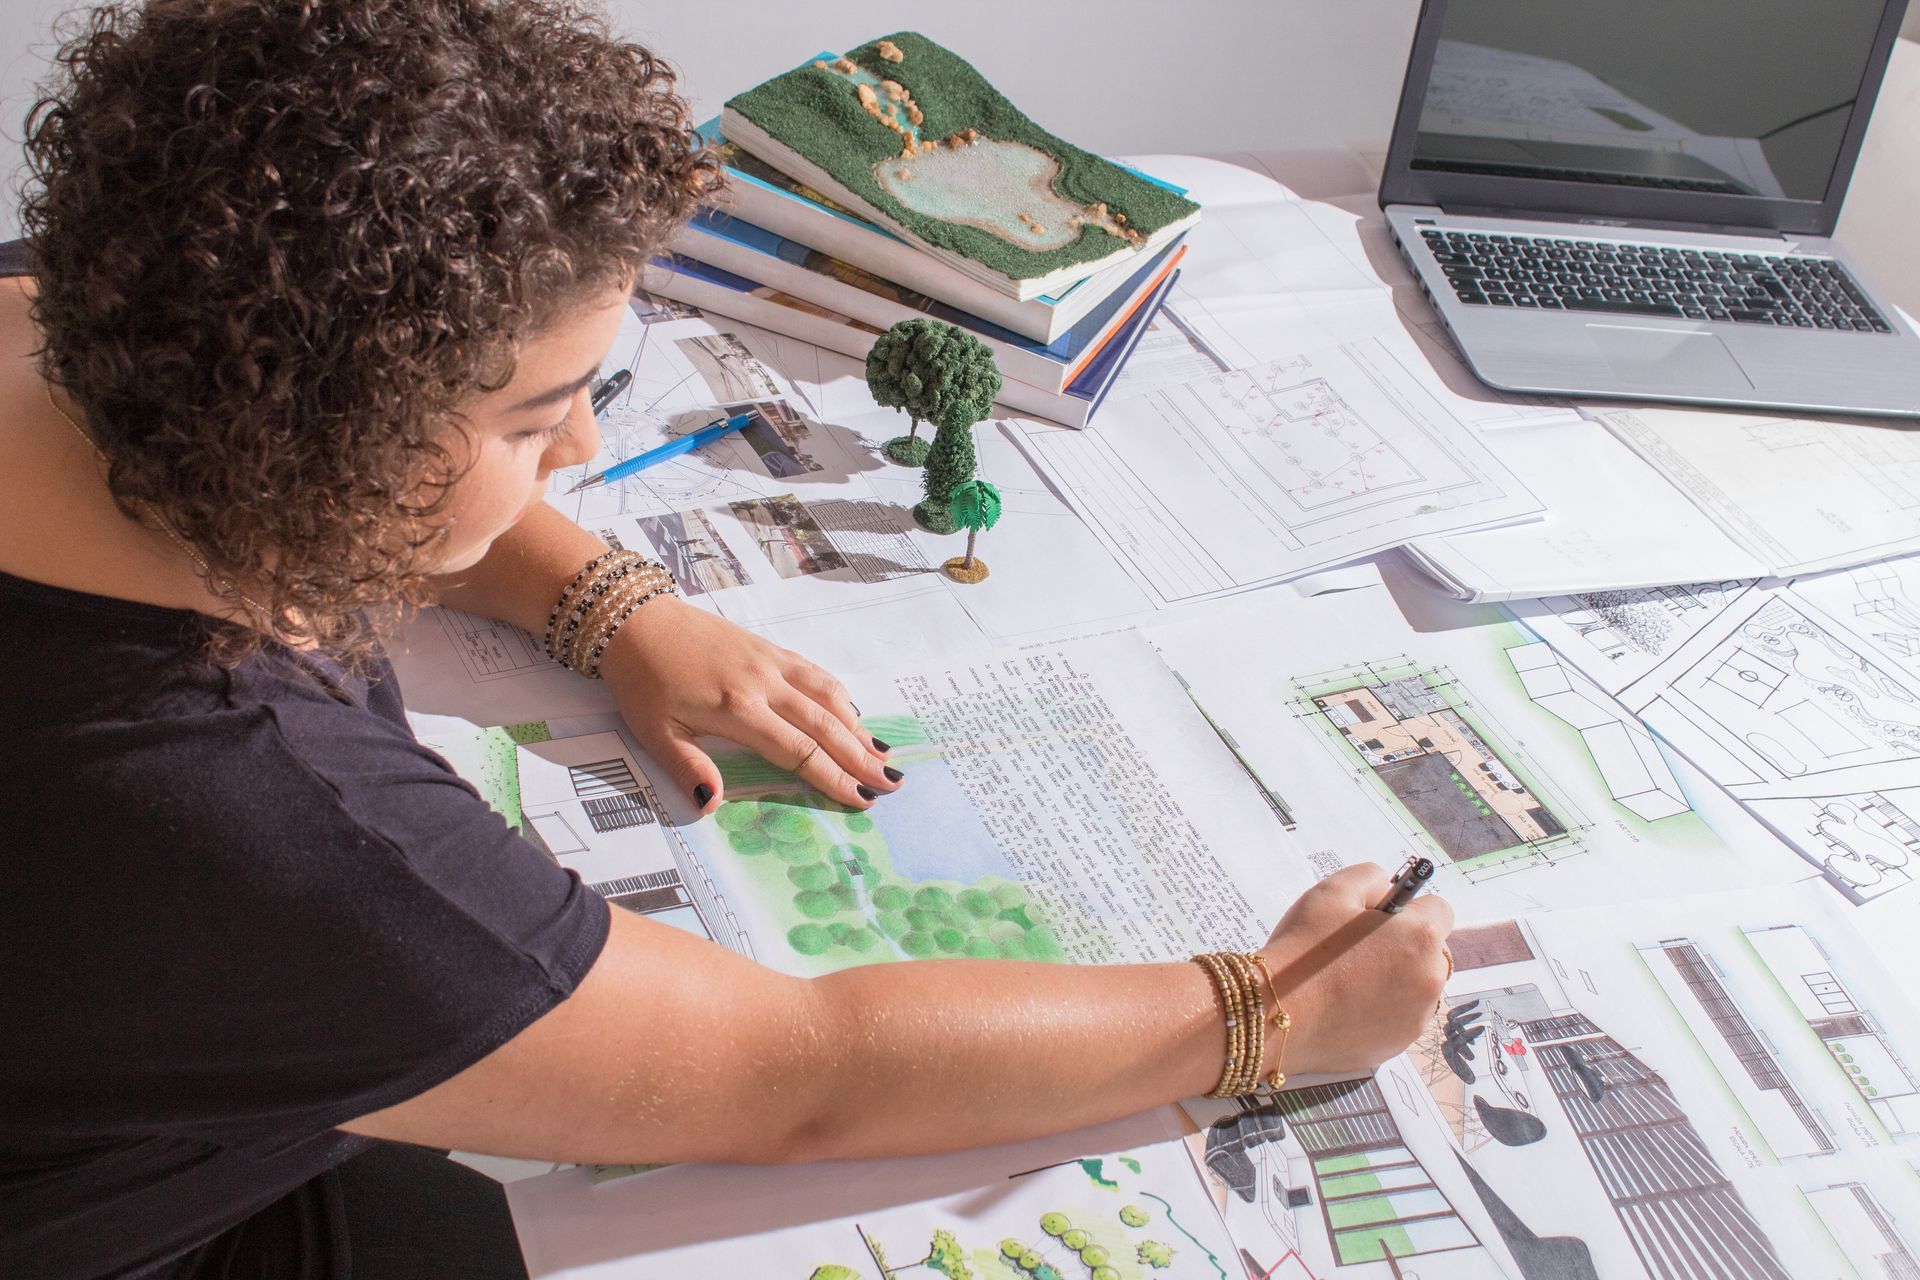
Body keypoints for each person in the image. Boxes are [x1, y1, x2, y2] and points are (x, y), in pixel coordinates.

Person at [0, 2, 1453, 1277]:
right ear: (333, 431)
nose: (576, 446)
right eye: (531, 416)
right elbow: (798, 1075)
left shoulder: (59, 313)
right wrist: (1271, 1011)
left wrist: (606, 600)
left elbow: (339, 440)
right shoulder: (248, 812)